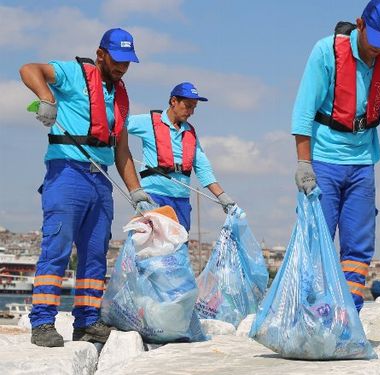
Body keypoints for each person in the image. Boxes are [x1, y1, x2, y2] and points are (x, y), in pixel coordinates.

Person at [19, 28, 155, 347]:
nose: (122, 67)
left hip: (101, 179)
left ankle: (87, 322)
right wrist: (46, 98)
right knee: (57, 249)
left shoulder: (120, 96)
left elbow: (122, 151)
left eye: (128, 62)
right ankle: (42, 323)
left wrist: (137, 194)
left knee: (95, 253)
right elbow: (29, 69)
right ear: (101, 54)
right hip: (67, 171)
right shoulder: (74, 73)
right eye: (118, 59)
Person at [291, 0, 380, 312]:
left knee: (359, 245)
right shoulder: (327, 52)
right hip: (323, 159)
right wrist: (303, 162)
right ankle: (310, 312)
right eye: (375, 41)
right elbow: (303, 110)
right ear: (360, 25)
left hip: (363, 161)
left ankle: (346, 315)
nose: (379, 51)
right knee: (316, 239)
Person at [127, 82, 236, 233]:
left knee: (178, 250)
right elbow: (118, 124)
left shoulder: (190, 132)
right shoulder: (149, 122)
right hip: (154, 197)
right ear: (173, 101)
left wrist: (222, 196)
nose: (191, 112)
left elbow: (202, 167)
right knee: (151, 250)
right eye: (188, 106)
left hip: (181, 201)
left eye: (194, 107)